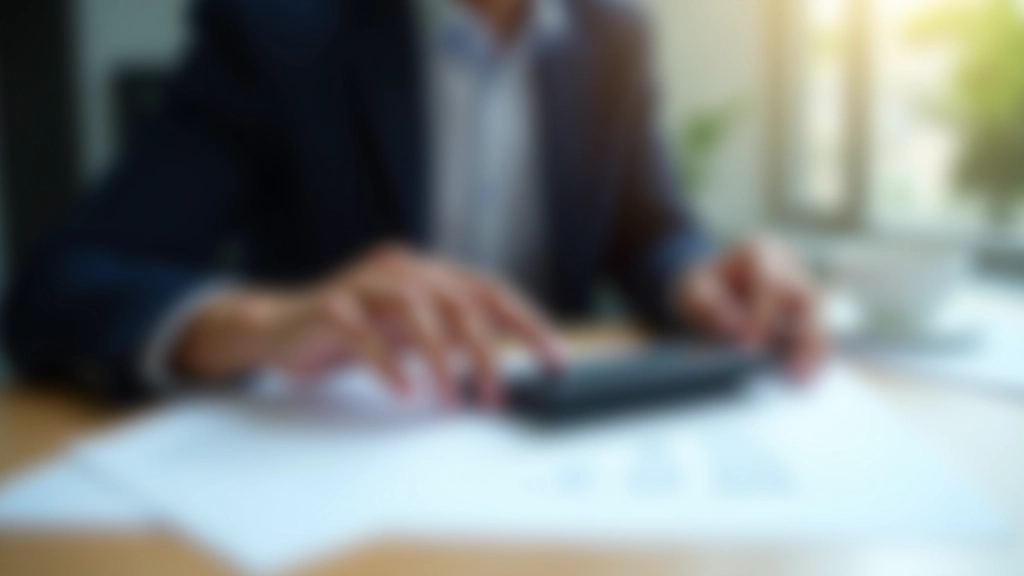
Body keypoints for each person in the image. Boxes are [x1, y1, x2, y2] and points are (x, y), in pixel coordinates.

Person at [2, 0, 825, 405]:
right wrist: (268, 321)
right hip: (341, 459)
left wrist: (698, 278)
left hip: (556, 456)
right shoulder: (278, 29)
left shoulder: (613, 34)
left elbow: (648, 228)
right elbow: (61, 283)